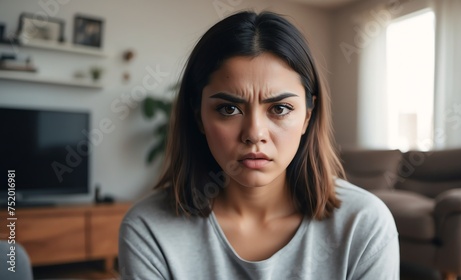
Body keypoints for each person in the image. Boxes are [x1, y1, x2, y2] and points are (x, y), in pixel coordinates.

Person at [119, 11, 399, 280]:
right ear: (199, 116)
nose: (254, 134)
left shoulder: (364, 224)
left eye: (279, 108)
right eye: (229, 109)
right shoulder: (149, 229)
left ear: (307, 118)